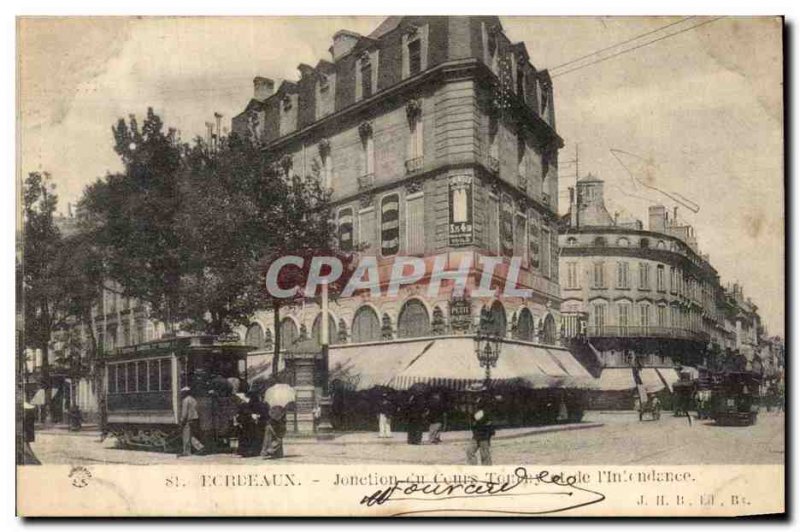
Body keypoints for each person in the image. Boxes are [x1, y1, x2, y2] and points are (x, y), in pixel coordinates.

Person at [466, 391, 495, 465]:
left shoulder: (485, 403)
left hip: (484, 435)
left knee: (485, 455)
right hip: (476, 435)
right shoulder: (476, 405)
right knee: (469, 451)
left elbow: (487, 421)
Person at [178, 387, 204, 457]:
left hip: (188, 420)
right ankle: (200, 447)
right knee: (191, 435)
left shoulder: (185, 400)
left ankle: (186, 452)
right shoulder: (193, 399)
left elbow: (184, 412)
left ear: (185, 393)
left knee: (186, 436)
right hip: (195, 418)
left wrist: (182, 420)